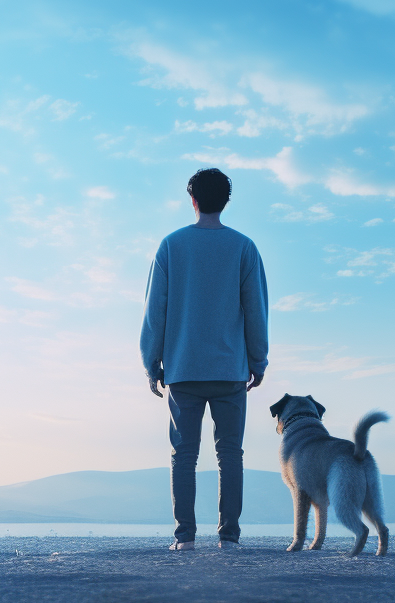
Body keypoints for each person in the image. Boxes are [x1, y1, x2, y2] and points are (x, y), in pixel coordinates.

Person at [140, 167, 269, 551]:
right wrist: (258, 361)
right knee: (230, 454)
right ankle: (228, 537)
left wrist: (152, 363)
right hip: (230, 369)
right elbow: (255, 310)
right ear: (225, 201)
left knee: (184, 454)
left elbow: (155, 311)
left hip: (183, 368)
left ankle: (185, 538)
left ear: (192, 200)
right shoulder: (244, 247)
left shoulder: (171, 246)